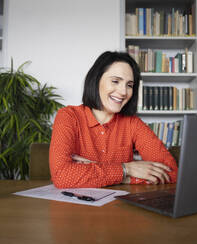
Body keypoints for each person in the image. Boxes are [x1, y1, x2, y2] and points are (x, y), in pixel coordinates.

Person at [49, 51, 177, 188]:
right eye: (115, 81)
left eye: (129, 85)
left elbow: (171, 172)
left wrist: (114, 175)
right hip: (76, 208)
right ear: (96, 80)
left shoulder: (133, 123)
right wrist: (126, 169)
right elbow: (62, 176)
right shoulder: (68, 116)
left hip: (120, 207)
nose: (123, 92)